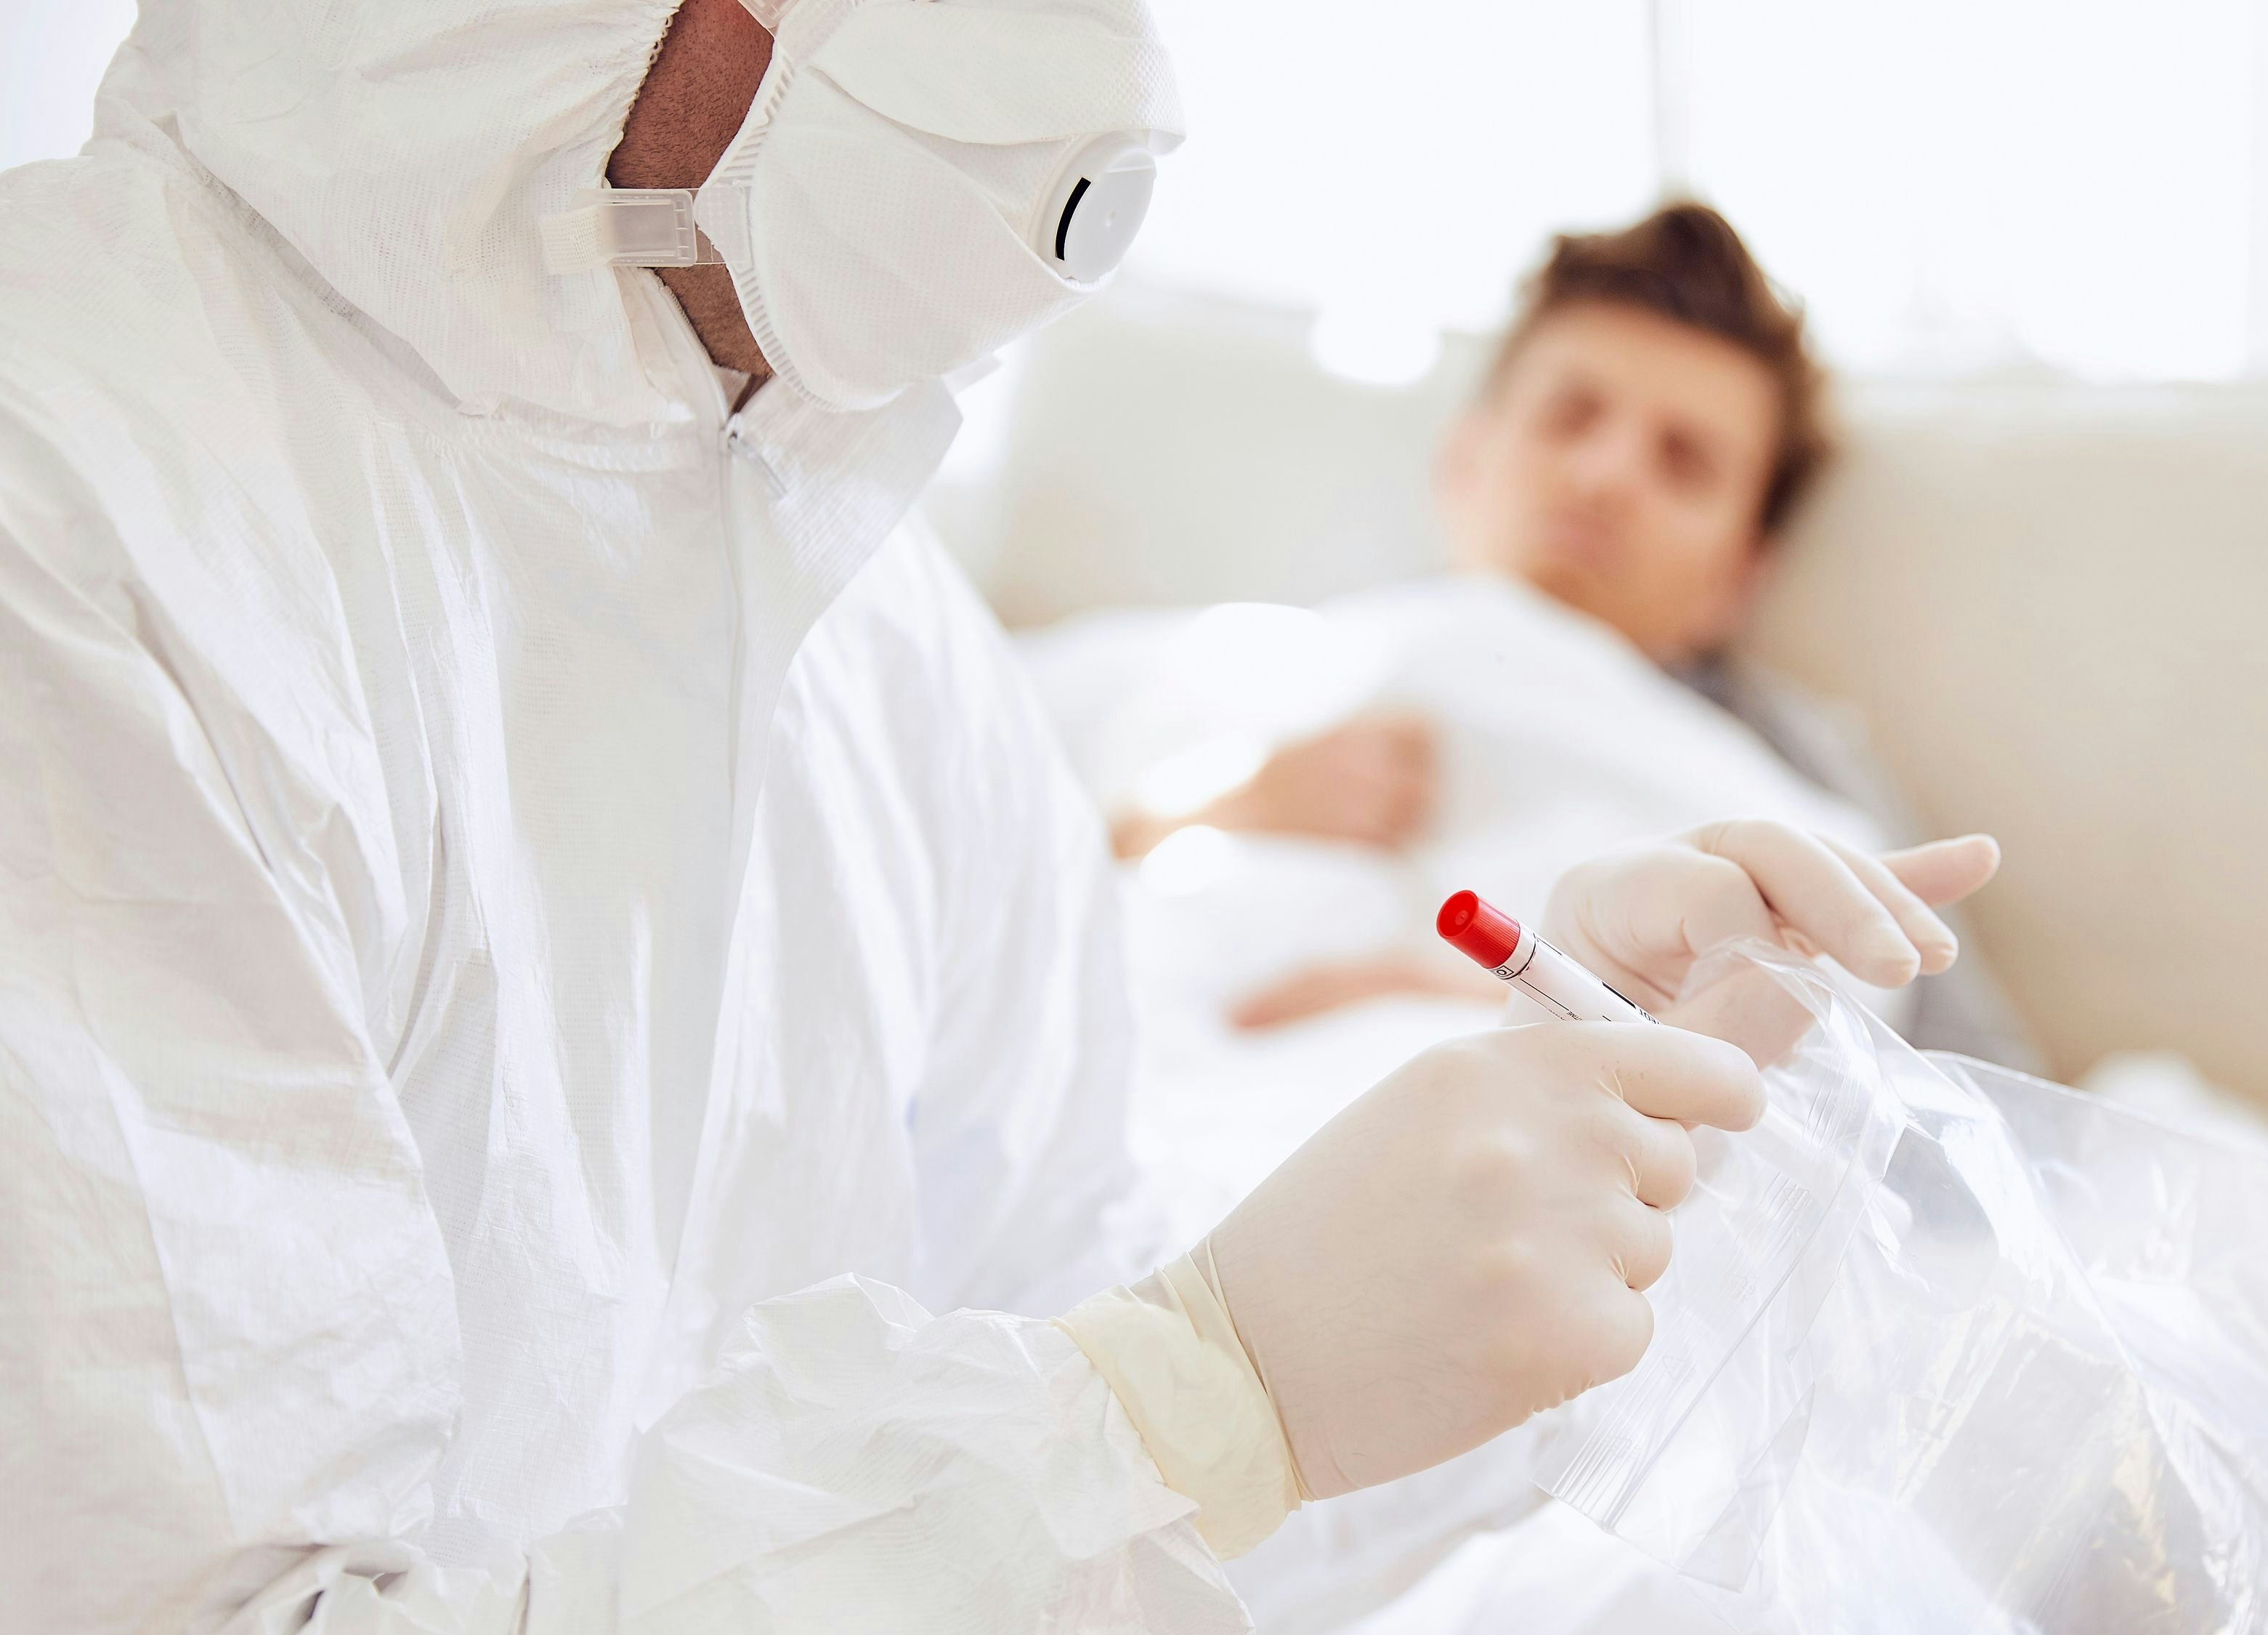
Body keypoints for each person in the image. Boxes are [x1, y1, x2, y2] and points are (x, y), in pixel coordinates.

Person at [0, 3, 2000, 1632]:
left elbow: (1087, 1386)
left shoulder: (861, 597)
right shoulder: (81, 501)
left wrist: (1557, 1177)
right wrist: (1188, 1392)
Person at [1040, 203, 2041, 1071]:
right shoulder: (1262, 663)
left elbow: (1960, 1094)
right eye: (1571, 415)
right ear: (1464, 465)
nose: (1606, 474)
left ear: (1737, 577)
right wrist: (1195, 816)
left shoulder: (1794, 774)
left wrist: (1503, 1010)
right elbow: (979, 832)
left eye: (1682, 462)